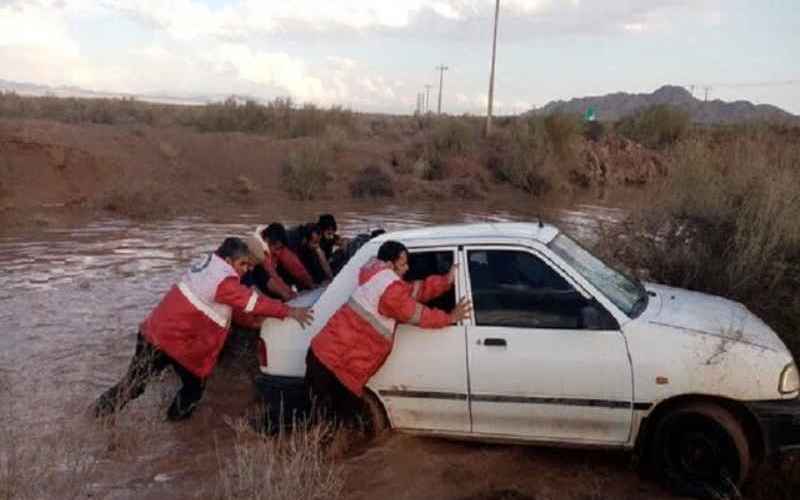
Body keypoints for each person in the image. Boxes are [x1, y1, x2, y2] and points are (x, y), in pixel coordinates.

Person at [94, 237, 314, 421]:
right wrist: (289, 311)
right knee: (190, 390)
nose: (245, 271)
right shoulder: (224, 280)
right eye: (243, 265)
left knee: (134, 385)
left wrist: (251, 322)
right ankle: (174, 430)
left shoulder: (210, 265)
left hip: (156, 334)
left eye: (248, 266)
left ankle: (97, 416)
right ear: (229, 260)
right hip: (173, 341)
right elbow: (252, 302)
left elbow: (225, 305)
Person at [306, 240, 472, 425]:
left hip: (326, 355)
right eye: (403, 264)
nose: (407, 268)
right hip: (337, 366)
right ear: (391, 264)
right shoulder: (390, 290)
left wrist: (446, 281)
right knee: (337, 424)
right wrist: (450, 317)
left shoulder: (377, 276)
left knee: (325, 419)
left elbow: (414, 291)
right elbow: (419, 315)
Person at [263, 223, 316, 291]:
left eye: (280, 247)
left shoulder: (282, 249)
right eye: (276, 246)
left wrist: (310, 283)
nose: (277, 250)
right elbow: (271, 273)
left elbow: (296, 267)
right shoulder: (262, 251)